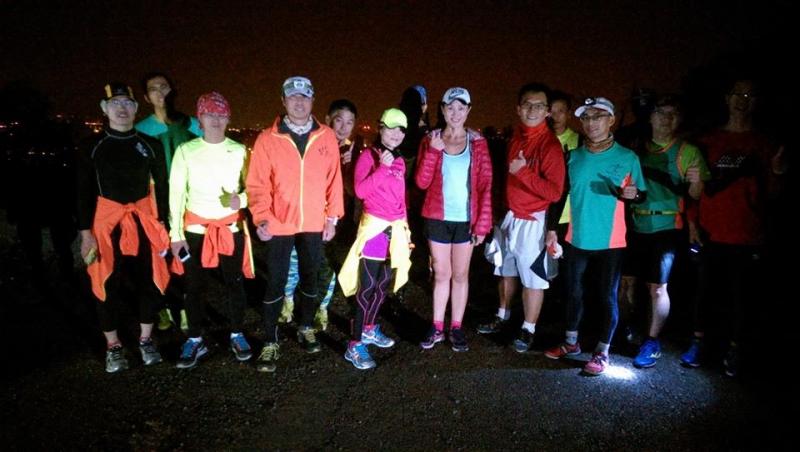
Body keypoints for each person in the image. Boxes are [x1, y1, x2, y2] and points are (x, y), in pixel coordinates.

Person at [679, 79, 786, 377]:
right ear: (727, 99)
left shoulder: (764, 143)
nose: (743, 99)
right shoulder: (708, 140)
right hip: (710, 230)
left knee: (743, 298)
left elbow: (774, 193)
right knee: (704, 292)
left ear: (757, 101)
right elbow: (695, 188)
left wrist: (778, 172)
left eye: (750, 94)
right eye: (737, 93)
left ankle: (736, 350)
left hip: (748, 233)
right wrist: (692, 222)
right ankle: (698, 344)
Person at [246, 76, 343, 373]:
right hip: (279, 221)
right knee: (276, 281)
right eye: (292, 97)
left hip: (313, 221)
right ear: (283, 101)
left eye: (304, 96)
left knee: (310, 277)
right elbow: (257, 183)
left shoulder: (326, 136)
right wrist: (261, 217)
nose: (299, 102)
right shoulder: (268, 138)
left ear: (312, 100)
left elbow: (334, 180)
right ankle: (270, 341)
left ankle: (306, 326)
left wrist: (332, 217)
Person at [544, 96, 647, 376]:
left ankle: (602, 351)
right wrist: (552, 229)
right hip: (577, 237)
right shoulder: (573, 156)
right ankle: (571, 342)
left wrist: (634, 195)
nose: (591, 123)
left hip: (612, 240)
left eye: (598, 116)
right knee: (573, 292)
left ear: (611, 120)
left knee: (606, 295)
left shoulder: (627, 157)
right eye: (586, 117)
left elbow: (640, 194)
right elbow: (561, 195)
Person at [76, 83, 169, 373]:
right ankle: (113, 345)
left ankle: (146, 339)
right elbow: (82, 192)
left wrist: (164, 224)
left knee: (149, 280)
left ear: (136, 108)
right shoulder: (92, 146)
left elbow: (162, 187)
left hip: (142, 219)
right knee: (107, 284)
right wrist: (85, 234)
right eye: (115, 103)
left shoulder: (149, 145)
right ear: (104, 109)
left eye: (127, 103)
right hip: (106, 223)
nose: (121, 108)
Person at [616, 95, 709, 369]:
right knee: (626, 283)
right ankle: (625, 328)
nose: (666, 119)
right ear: (651, 117)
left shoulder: (687, 151)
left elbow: (696, 194)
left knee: (657, 287)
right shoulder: (636, 148)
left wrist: (696, 183)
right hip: (635, 224)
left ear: (679, 119)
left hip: (667, 226)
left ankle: (652, 341)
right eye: (661, 112)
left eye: (673, 113)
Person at [168, 92, 255, 369]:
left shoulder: (239, 151)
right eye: (209, 114)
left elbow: (254, 189)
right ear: (200, 119)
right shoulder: (186, 150)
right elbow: (176, 194)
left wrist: (241, 200)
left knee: (234, 283)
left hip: (230, 227)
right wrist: (175, 235)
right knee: (194, 286)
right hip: (195, 229)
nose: (216, 119)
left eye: (221, 114)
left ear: (228, 119)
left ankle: (237, 332)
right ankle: (195, 338)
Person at [477, 83, 565, 353]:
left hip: (533, 221)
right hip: (508, 217)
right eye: (527, 104)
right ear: (518, 108)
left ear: (547, 111)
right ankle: (502, 316)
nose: (532, 110)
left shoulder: (550, 146)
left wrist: (524, 172)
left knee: (532, 279)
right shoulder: (515, 137)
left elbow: (555, 192)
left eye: (539, 106)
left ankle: (528, 329)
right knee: (505, 271)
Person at [415, 87, 493, 352]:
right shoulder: (432, 139)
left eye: (461, 108)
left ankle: (456, 327)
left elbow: (485, 184)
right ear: (443, 109)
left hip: (466, 220)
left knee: (460, 274)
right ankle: (437, 326)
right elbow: (421, 182)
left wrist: (483, 224)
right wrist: (433, 152)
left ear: (468, 110)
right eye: (450, 108)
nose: (456, 113)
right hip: (437, 217)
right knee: (441, 273)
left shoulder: (478, 143)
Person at [338, 108, 412, 369]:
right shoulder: (369, 156)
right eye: (391, 127)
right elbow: (360, 191)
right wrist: (383, 168)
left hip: (395, 230)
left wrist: (406, 229)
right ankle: (354, 344)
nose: (396, 134)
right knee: (367, 286)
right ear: (380, 128)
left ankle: (369, 328)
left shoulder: (400, 161)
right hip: (375, 229)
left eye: (401, 129)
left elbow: (400, 199)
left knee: (382, 285)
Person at [281, 99, 360, 332]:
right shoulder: (312, 144)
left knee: (327, 267)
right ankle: (287, 302)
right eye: (339, 120)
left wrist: (348, 166)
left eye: (349, 122)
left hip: (333, 222)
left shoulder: (352, 153)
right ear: (327, 120)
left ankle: (321, 309)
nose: (343, 127)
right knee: (295, 261)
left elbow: (352, 190)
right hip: (305, 216)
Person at [135, 71, 202, 332]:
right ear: (146, 97)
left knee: (186, 256)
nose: (160, 92)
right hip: (156, 202)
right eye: (153, 88)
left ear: (173, 90)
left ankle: (185, 307)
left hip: (188, 200)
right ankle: (163, 304)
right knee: (159, 255)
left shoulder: (192, 124)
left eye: (164, 86)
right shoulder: (140, 130)